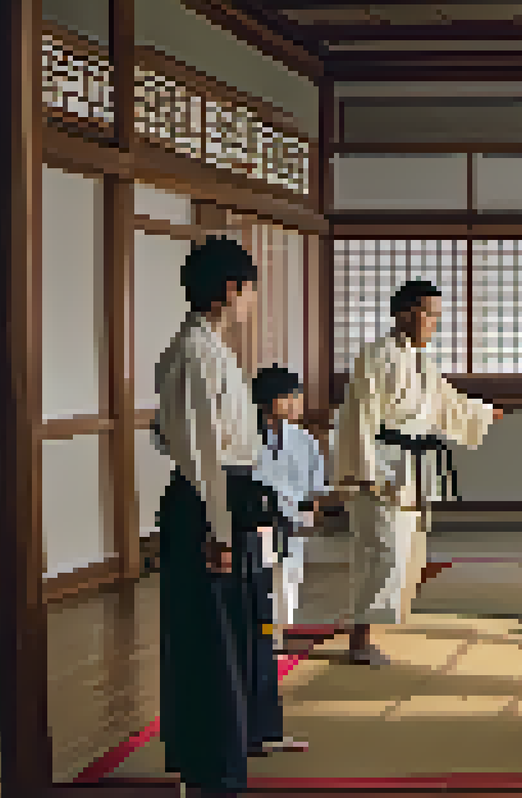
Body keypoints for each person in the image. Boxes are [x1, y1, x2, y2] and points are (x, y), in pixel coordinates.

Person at [152, 237, 306, 793]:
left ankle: (225, 750)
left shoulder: (206, 347)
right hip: (205, 501)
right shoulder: (195, 353)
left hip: (222, 497)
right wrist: (218, 530)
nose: (251, 303)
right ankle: (211, 766)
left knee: (232, 632)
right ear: (230, 290)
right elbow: (201, 451)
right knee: (210, 639)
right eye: (248, 292)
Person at [331, 279, 504, 665]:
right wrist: (365, 471)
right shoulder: (375, 356)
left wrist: (481, 412)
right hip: (380, 465)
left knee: (403, 552)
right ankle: (359, 639)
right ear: (405, 313)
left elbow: (446, 402)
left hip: (411, 467)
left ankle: (365, 634)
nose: (434, 322)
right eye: (429, 313)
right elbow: (359, 416)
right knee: (382, 551)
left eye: (437, 315)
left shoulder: (422, 360)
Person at [250, 365, 328, 651]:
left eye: (299, 396)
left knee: (288, 580)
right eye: (290, 397)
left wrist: (308, 518)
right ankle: (264, 636)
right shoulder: (245, 438)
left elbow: (313, 487)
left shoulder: (305, 440)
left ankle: (279, 635)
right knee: (262, 582)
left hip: (292, 520)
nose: (297, 403)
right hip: (257, 520)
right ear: (267, 401)